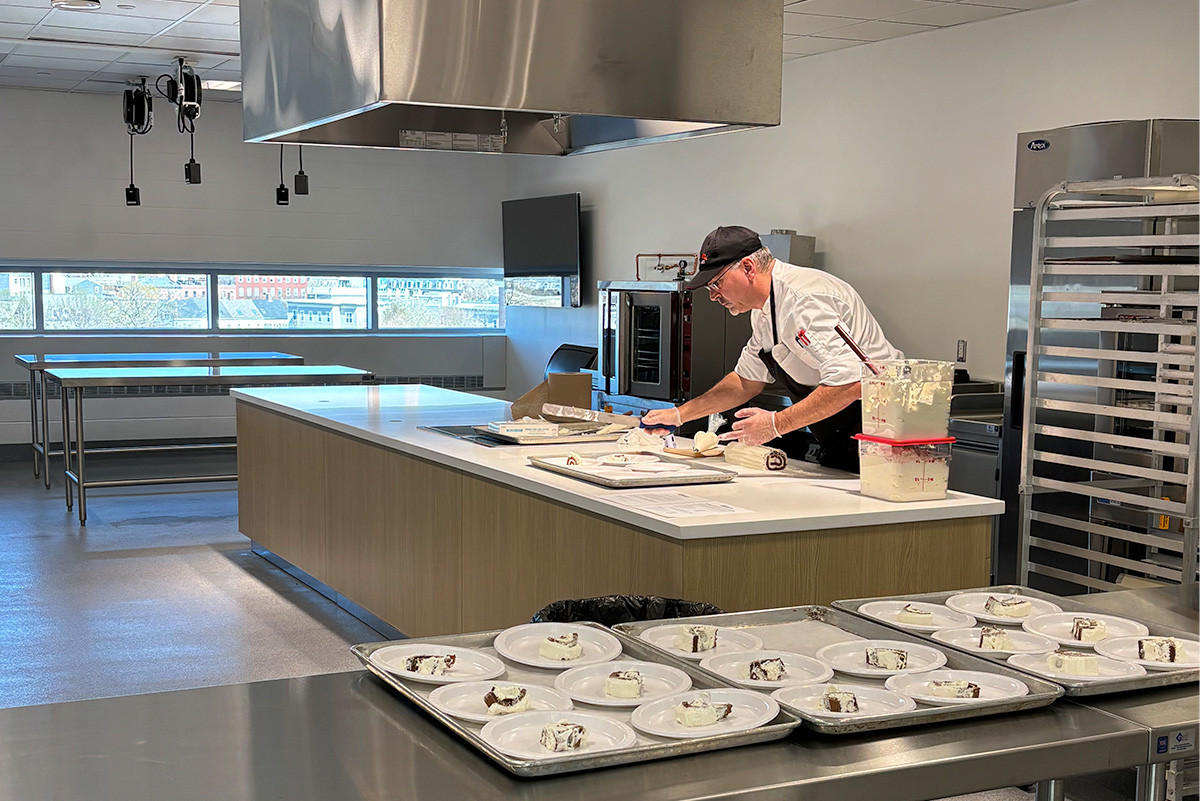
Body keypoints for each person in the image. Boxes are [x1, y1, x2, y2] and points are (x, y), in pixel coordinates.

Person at [641, 225, 902, 472]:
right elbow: (745, 382)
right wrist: (679, 415)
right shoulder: (764, 311)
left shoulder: (804, 301)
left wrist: (775, 425)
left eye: (716, 283)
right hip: (841, 435)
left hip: (880, 433)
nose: (713, 295)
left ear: (748, 267)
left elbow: (850, 382)